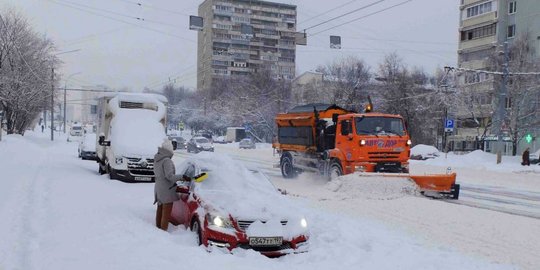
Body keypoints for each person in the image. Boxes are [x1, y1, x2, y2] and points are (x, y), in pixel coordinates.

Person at [154, 139, 190, 231]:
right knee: (166, 213)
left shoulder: (158, 158)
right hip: (167, 189)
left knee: (160, 209)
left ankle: (157, 229)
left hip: (159, 188)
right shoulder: (166, 161)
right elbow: (170, 176)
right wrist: (182, 177)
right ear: (169, 150)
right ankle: (162, 231)